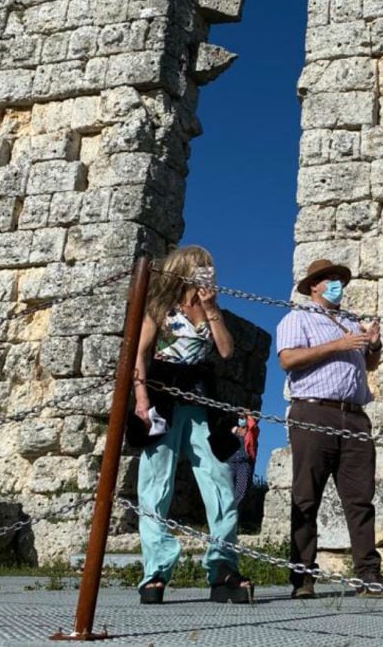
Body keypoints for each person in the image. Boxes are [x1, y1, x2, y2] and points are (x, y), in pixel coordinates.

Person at [130, 246, 252, 605]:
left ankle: (223, 568)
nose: (208, 272)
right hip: (164, 396)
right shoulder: (159, 307)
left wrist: (212, 309)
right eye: (202, 266)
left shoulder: (211, 307)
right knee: (156, 484)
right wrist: (141, 399)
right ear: (184, 269)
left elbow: (226, 351)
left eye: (210, 267)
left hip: (202, 399)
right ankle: (156, 570)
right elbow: (140, 353)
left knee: (220, 482)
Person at [276, 259, 383, 599]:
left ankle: (368, 574)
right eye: (330, 279)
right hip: (314, 412)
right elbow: (288, 360)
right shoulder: (298, 318)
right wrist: (335, 346)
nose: (338, 283)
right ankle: (303, 578)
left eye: (340, 278)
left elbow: (366, 365)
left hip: (354, 414)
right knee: (307, 495)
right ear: (314, 286)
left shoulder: (349, 321)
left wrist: (373, 345)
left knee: (360, 498)